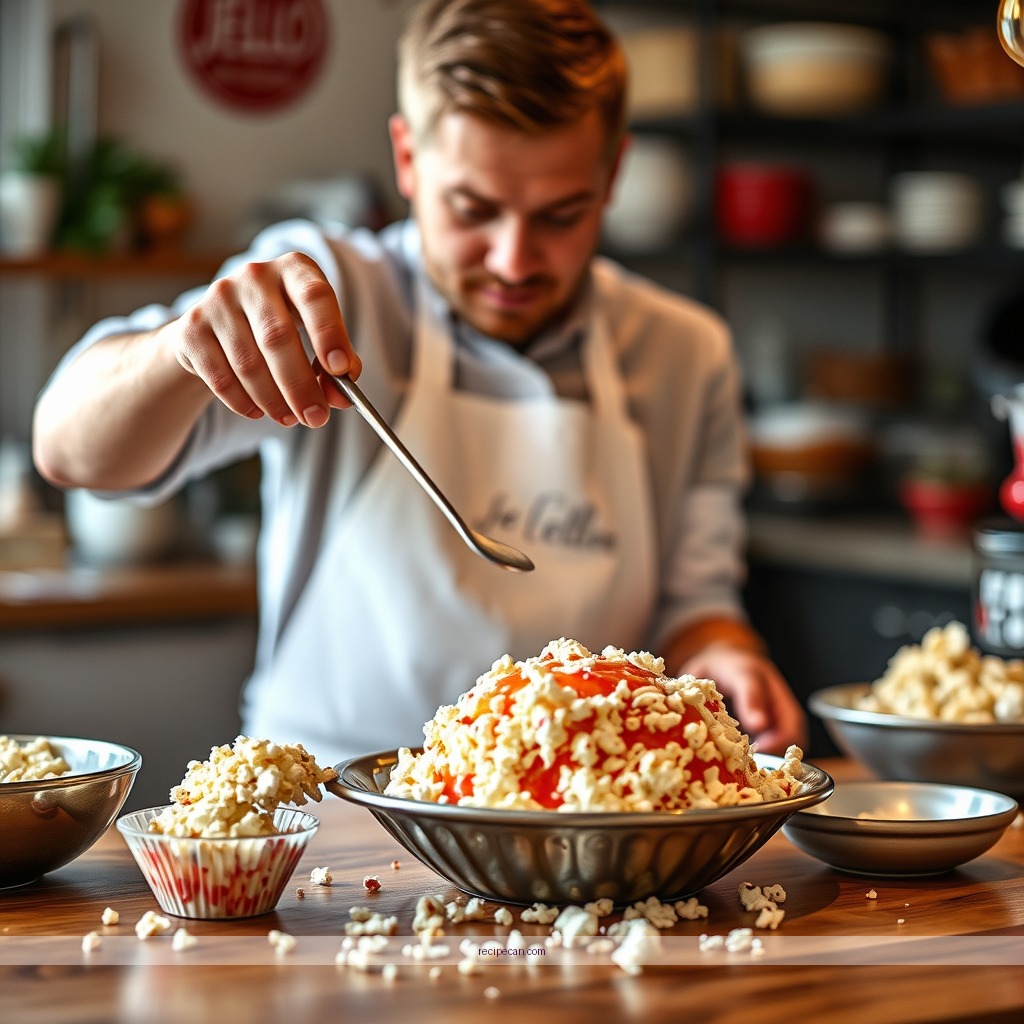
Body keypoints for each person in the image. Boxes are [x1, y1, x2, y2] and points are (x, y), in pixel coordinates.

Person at [32, 0, 806, 766]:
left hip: (576, 828)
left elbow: (697, 607)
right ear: (407, 159)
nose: (513, 260)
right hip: (325, 809)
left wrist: (724, 657)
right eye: (473, 208)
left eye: (560, 214)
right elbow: (71, 452)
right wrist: (179, 348)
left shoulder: (684, 351)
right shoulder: (331, 297)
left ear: (612, 178)